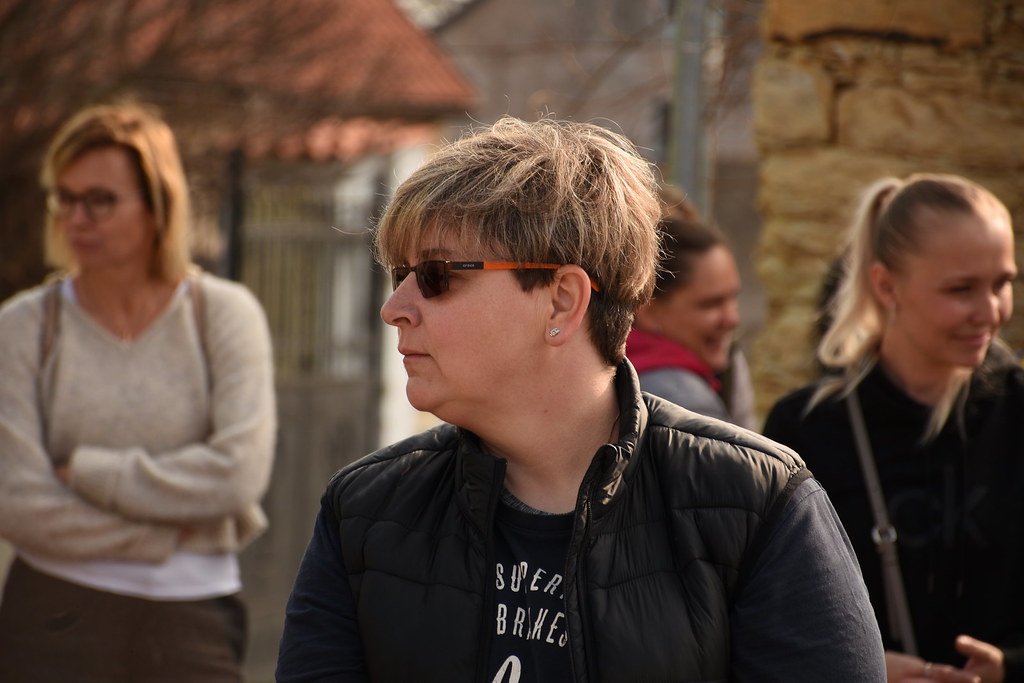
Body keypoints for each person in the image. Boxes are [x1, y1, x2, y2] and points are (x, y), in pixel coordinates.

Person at [276, 116, 884, 682]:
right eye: (398, 275)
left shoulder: (755, 504)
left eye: (436, 276)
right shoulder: (365, 511)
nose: (395, 309)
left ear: (562, 301)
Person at [0, 102, 277, 681]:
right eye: (65, 198)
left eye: (100, 200)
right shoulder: (23, 327)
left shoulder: (223, 315)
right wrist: (161, 531)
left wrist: (89, 473)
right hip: (50, 612)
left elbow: (237, 475)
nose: (76, 218)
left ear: (158, 205)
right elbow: (16, 501)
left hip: (193, 616)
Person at [763, 173, 1023, 683]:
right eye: (961, 289)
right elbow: (769, 616)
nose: (991, 312)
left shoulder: (1015, 411)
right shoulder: (807, 429)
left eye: (1003, 283)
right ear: (885, 285)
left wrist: (1008, 667)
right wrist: (862, 667)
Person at [626, 187, 756, 429]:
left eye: (733, 298)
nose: (732, 318)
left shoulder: (604, 372)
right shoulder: (684, 404)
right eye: (711, 304)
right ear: (649, 310)